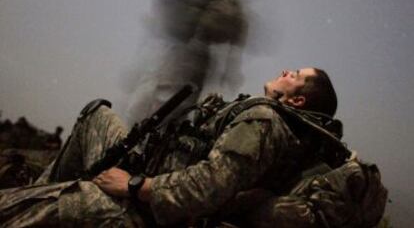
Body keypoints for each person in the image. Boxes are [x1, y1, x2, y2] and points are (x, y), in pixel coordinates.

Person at [0, 67, 341, 227]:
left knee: (18, 208)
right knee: (97, 115)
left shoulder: (265, 122)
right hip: (148, 177)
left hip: (147, 212)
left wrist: (133, 185)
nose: (285, 70)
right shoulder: (267, 120)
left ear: (296, 99)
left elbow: (210, 188)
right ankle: (41, 188)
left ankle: (37, 200)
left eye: (294, 74)